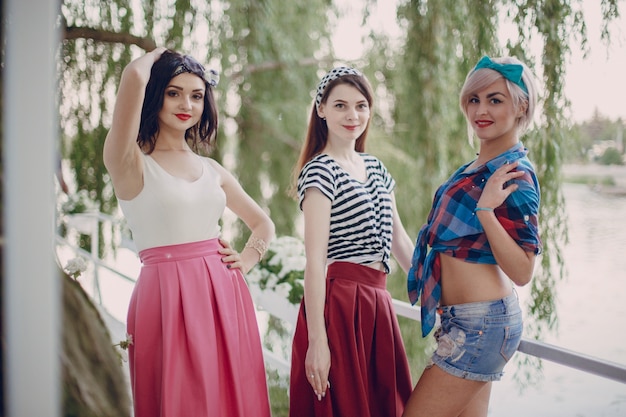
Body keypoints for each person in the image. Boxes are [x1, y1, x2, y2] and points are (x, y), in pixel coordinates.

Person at [102, 47, 274, 417]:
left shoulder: (211, 169)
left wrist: (246, 259)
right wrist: (160, 54)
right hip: (165, 299)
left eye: (197, 95)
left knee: (233, 399)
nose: (186, 104)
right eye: (173, 92)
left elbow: (263, 223)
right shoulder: (130, 162)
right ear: (156, 95)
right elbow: (133, 77)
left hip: (225, 296)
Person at [402, 55, 542, 417]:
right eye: (474, 99)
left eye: (495, 99)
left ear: (521, 105)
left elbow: (524, 271)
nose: (481, 109)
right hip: (465, 320)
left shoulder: (516, 177)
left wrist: (486, 211)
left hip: (481, 324)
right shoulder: (476, 165)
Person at [289, 66, 414, 417]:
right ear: (321, 109)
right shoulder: (319, 171)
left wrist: (439, 293)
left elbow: (400, 241)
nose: (352, 115)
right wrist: (317, 341)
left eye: (361, 105)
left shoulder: (375, 167)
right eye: (340, 105)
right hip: (341, 305)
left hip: (377, 303)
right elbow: (315, 261)